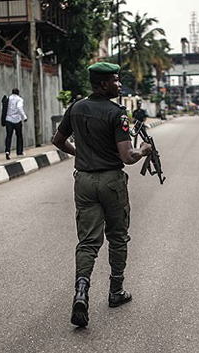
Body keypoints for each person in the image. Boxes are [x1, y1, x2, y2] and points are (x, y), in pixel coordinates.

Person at [52, 62, 152, 328]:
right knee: (117, 236)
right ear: (103, 84)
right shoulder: (116, 113)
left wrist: (81, 155)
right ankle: (115, 291)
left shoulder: (74, 108)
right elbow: (127, 156)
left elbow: (58, 141)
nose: (119, 85)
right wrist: (143, 150)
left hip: (83, 181)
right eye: (116, 81)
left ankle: (81, 292)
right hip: (111, 181)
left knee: (87, 242)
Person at [3, 88, 27, 160]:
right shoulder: (19, 99)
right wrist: (24, 116)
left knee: (8, 136)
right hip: (17, 120)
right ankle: (19, 151)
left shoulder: (8, 98)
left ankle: (7, 151)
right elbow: (19, 107)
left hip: (8, 119)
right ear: (18, 93)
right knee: (19, 136)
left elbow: (3, 108)